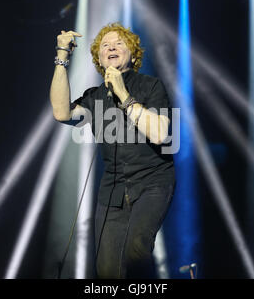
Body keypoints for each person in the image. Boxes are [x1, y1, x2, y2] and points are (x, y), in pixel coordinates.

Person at [50, 23, 175, 279]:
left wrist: (123, 93)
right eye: (105, 45)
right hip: (113, 188)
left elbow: (161, 134)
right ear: (98, 58)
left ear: (133, 52)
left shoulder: (151, 87)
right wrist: (62, 57)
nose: (111, 47)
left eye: (119, 43)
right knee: (107, 271)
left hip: (152, 183)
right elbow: (62, 112)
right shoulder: (94, 96)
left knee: (136, 252)